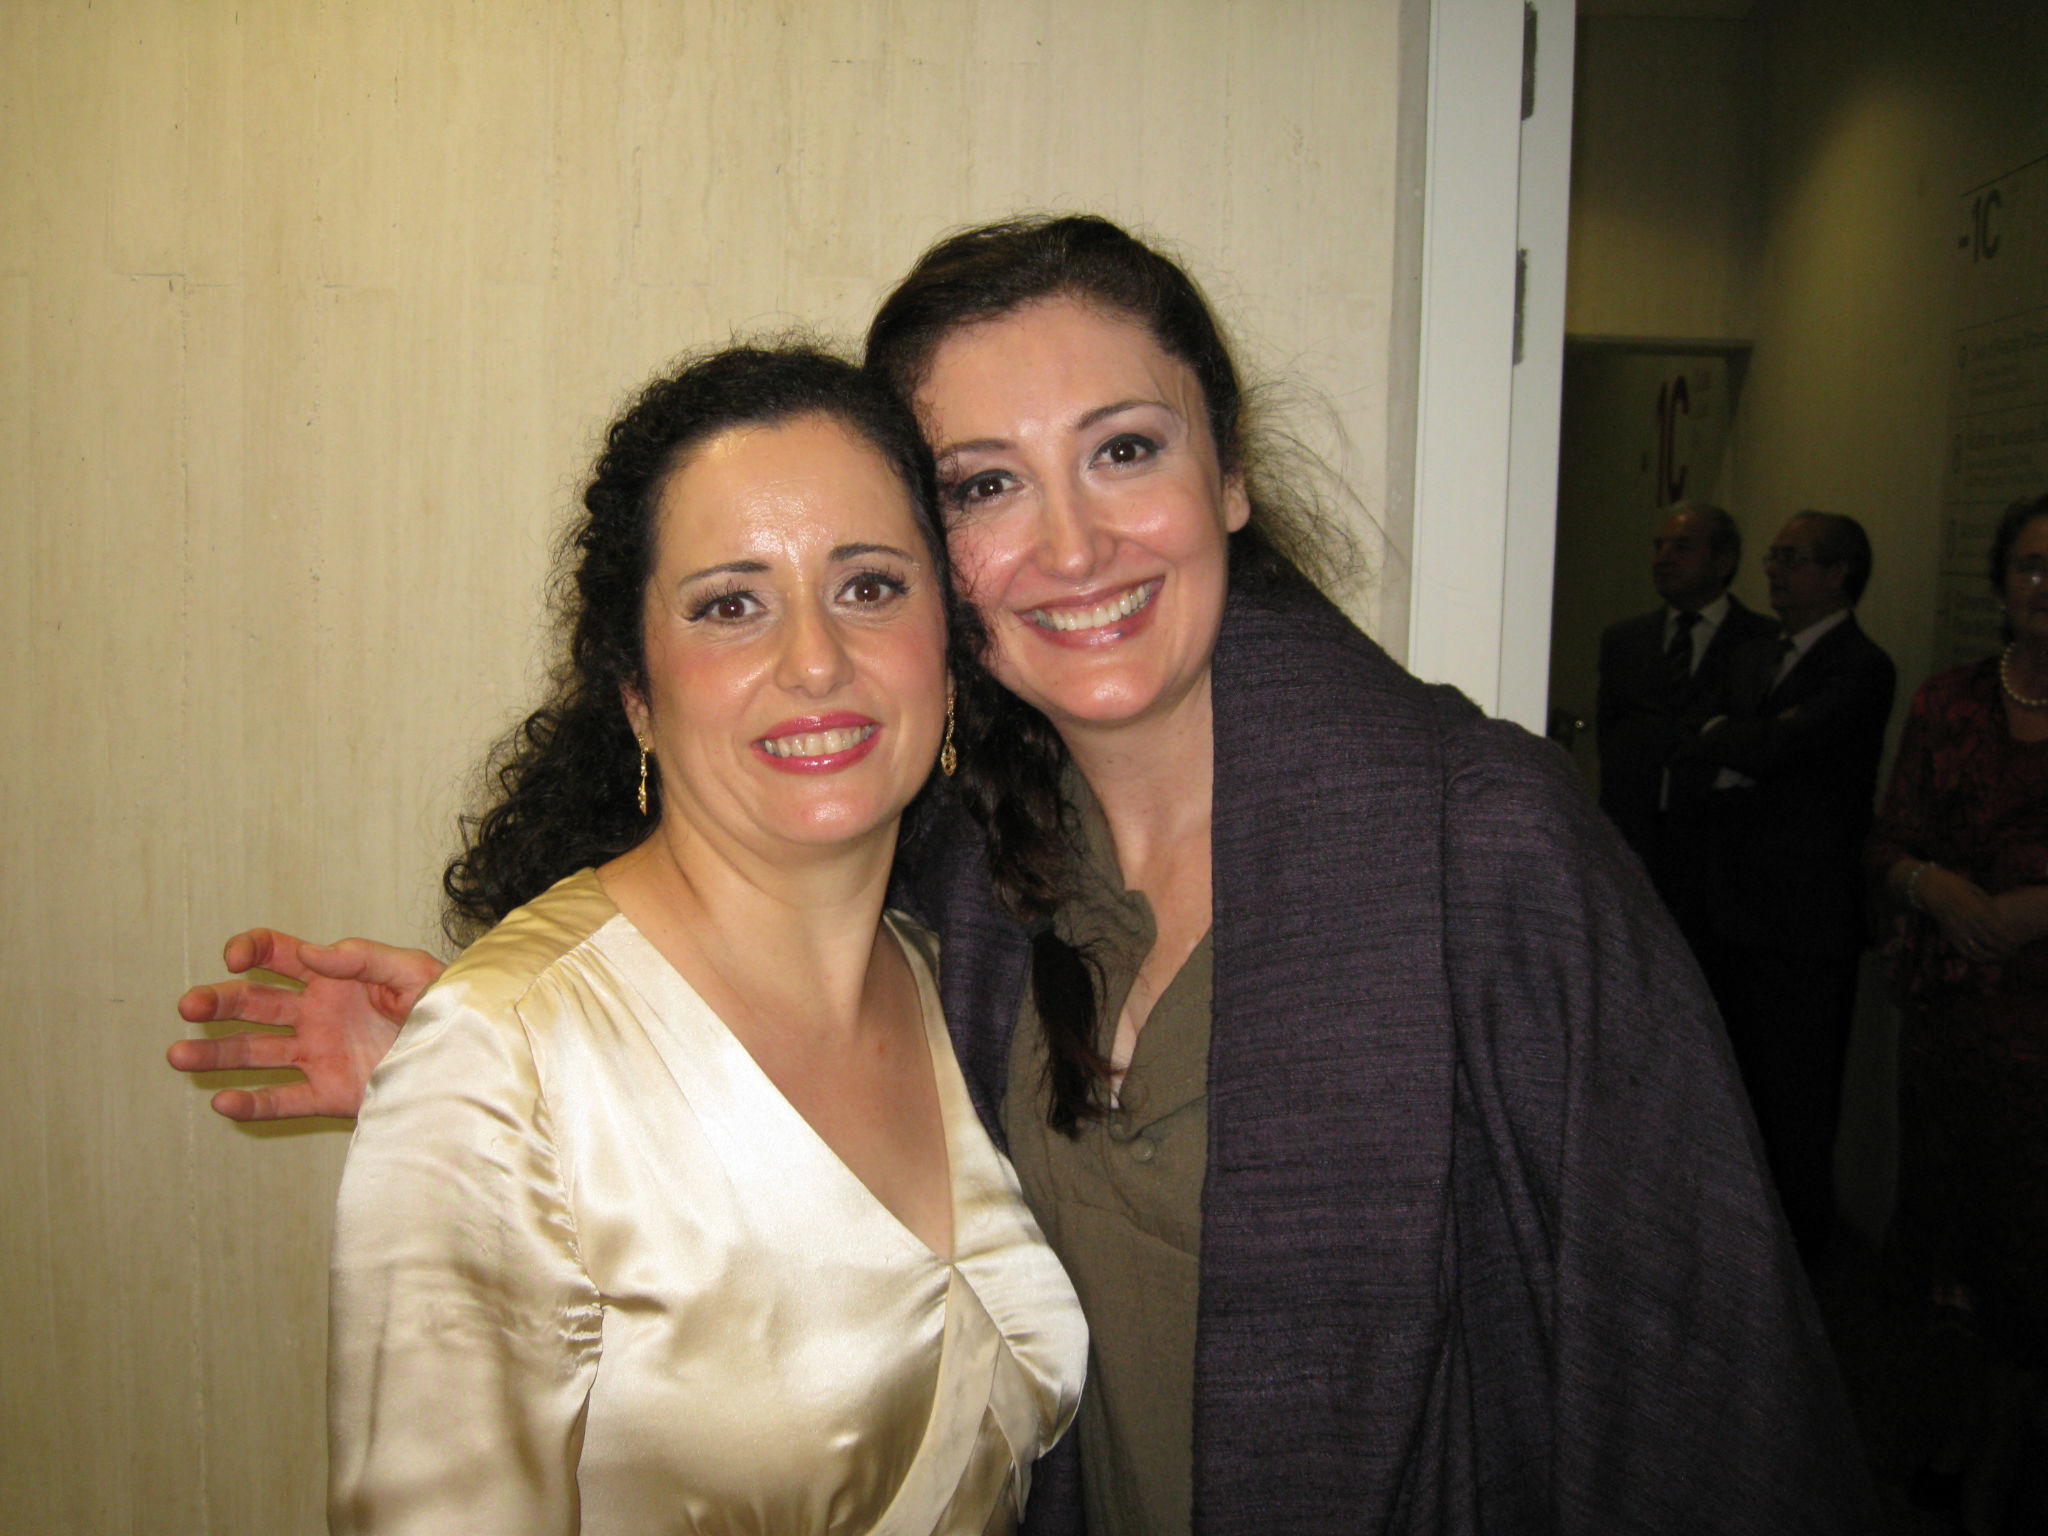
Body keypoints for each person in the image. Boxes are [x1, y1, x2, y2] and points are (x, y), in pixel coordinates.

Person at [175, 216, 1877, 1533]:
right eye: (988, 485)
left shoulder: (1483, 846)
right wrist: (514, 1089)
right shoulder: (975, 890)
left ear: (1229, 475)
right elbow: (787, 1170)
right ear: (947, 567)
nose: (1071, 544)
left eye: (1125, 450)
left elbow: (1700, 1369)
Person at [306, 344, 1087, 1534]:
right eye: (731, 606)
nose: (814, 660)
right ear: (635, 692)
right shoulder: (502, 1059)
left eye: (869, 587)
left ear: (947, 646)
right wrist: (483, 1078)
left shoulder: (959, 984)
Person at [1866, 491, 2048, 1530]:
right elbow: (1885, 842)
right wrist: (1926, 885)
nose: (2046, 587)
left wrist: (2037, 909)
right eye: (2030, 565)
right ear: (2000, 582)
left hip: (2041, 1040)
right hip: (1947, 1025)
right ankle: (1936, 1437)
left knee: (2028, 1255)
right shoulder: (1949, 701)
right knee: (1941, 1241)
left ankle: (1996, 1465)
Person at [1668, 511, 1896, 1261]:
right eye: (1772, 555)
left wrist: (1734, 738)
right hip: (1725, 909)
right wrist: (1738, 740)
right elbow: (1694, 733)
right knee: (1729, 1094)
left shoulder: (1861, 667)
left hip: (1803, 930)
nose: (1772, 570)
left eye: (1792, 558)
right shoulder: (1754, 652)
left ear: (1838, 573)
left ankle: (1799, 1271)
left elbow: (1780, 748)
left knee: (1796, 1106)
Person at [1594, 501, 1775, 929]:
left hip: (1720, 859)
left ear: (1723, 561)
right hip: (1634, 850)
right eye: (1659, 546)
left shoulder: (1762, 642)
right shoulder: (1625, 640)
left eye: (1681, 547)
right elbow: (1610, 735)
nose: (1663, 558)